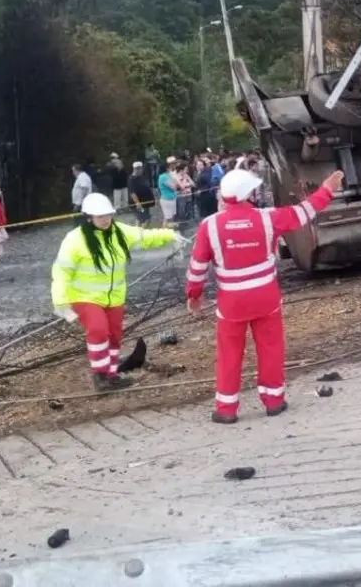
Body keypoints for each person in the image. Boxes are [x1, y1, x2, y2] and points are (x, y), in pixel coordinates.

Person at [186, 168, 345, 424]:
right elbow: (304, 212)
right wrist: (327, 189)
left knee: (229, 354)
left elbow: (197, 268)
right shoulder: (268, 218)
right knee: (270, 349)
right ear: (248, 194)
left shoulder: (209, 225)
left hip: (231, 304)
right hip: (266, 299)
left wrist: (194, 296)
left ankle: (226, 409)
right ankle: (274, 401)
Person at [51, 192, 185, 392]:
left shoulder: (120, 232)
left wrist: (170, 235)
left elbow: (145, 237)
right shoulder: (75, 240)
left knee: (114, 336)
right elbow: (61, 271)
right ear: (89, 217)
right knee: (98, 331)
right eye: (100, 216)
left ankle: (112, 374)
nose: (105, 220)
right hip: (84, 297)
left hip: (114, 297)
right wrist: (60, 301)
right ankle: (100, 376)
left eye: (107, 215)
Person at [128, 161, 154, 225]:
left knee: (145, 218)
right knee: (142, 219)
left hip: (145, 202)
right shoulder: (131, 179)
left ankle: (141, 231)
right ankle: (139, 232)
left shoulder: (141, 176)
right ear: (134, 169)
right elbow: (132, 193)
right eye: (138, 169)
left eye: (141, 168)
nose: (140, 170)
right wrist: (137, 203)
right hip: (139, 203)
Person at [156, 159, 179, 226]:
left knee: (171, 217)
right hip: (167, 200)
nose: (171, 168)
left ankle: (170, 232)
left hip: (172, 198)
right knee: (167, 219)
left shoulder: (168, 175)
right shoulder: (163, 177)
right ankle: (164, 232)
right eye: (169, 166)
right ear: (166, 168)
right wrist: (174, 178)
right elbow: (174, 187)